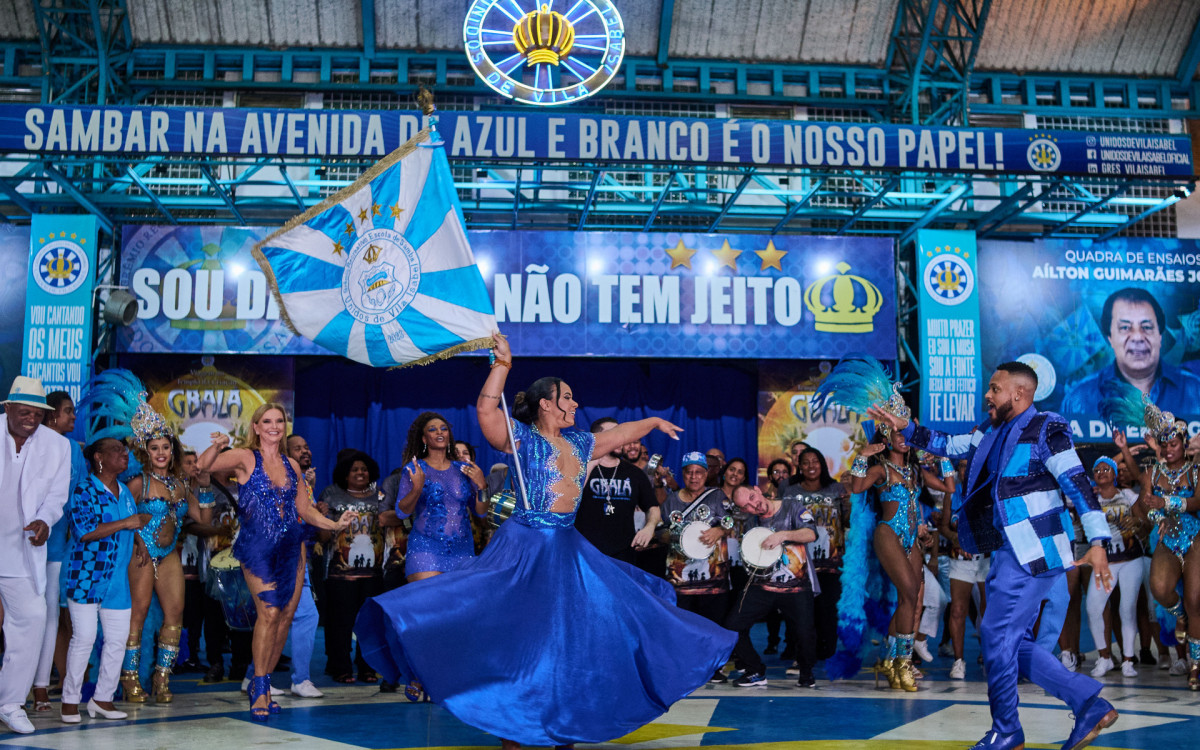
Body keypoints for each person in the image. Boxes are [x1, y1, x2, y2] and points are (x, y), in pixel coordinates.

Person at [354, 333, 736, 750]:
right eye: (567, 397)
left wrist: (653, 423)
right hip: (523, 547)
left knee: (568, 639)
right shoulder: (521, 440)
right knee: (518, 640)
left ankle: (563, 724)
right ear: (545, 405)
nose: (574, 404)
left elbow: (621, 432)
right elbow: (486, 407)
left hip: (565, 549)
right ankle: (514, 728)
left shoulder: (580, 442)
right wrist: (502, 365)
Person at [870, 361, 1117, 750]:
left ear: (1019, 393)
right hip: (1007, 551)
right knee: (1010, 642)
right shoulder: (989, 430)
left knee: (997, 635)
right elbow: (948, 445)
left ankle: (1008, 731)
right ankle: (1088, 702)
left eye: (994, 389)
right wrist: (908, 429)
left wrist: (1099, 541)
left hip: (1032, 550)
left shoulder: (1046, 427)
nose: (988, 395)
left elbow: (1077, 480)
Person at [197, 403, 357, 721]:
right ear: (255, 427)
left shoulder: (292, 466)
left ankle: (266, 683)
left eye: (279, 421)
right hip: (257, 548)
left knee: (285, 617)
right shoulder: (245, 458)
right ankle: (258, 686)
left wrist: (336, 524)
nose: (274, 426)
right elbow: (200, 468)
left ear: (285, 425)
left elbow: (306, 510)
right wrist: (216, 446)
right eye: (267, 421)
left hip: (291, 547)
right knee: (268, 613)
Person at [121, 400, 213, 704]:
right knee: (139, 615)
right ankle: (130, 679)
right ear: (146, 452)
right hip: (143, 554)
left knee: (175, 615)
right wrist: (137, 542)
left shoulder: (179, 484)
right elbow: (120, 519)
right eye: (155, 448)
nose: (161, 453)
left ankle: (162, 677)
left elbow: (203, 519)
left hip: (169, 554)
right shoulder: (138, 483)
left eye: (166, 447)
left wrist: (205, 485)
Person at [1108, 388, 1200, 688]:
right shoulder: (1152, 473)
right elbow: (1144, 505)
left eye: (1173, 443)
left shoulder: (1195, 471)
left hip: (1195, 537)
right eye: (1164, 444)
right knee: (1160, 589)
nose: (1168, 448)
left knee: (1196, 598)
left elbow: (1197, 502)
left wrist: (1168, 505)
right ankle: (1181, 616)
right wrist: (1155, 514)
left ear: (1183, 443)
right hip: (1167, 539)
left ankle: (1196, 665)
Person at [59, 438, 149, 724]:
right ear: (99, 457)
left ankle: (102, 699)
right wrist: (127, 524)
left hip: (117, 581)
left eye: (125, 451)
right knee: (84, 638)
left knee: (117, 640)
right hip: (87, 577)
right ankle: (70, 701)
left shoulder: (123, 491)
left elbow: (130, 521)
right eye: (117, 451)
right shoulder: (84, 489)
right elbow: (84, 531)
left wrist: (139, 541)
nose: (125, 454)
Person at [0, 377, 71, 736]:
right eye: (23, 411)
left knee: (32, 616)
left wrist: (46, 519)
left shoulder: (58, 446)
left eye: (37, 413)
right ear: (7, 408)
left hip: (21, 550)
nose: (30, 419)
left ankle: (10, 704)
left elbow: (57, 496)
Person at [726, 484, 819, 688]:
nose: (754, 504)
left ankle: (806, 672)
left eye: (752, 496)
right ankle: (755, 670)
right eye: (747, 506)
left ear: (758, 489)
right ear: (744, 511)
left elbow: (811, 534)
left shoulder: (792, 506)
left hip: (796, 585)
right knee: (732, 627)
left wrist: (781, 535)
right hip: (763, 586)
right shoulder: (751, 524)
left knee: (805, 632)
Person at [1062, 287, 1200, 416]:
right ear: (1110, 337)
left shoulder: (1195, 390)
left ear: (1160, 335)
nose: (1138, 337)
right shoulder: (1078, 399)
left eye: (1146, 327)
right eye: (1125, 328)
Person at [319, 449, 393, 684]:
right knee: (340, 622)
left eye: (364, 469)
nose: (360, 473)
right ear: (344, 474)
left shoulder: (379, 496)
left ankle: (368, 667)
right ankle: (340, 666)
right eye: (354, 470)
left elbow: (392, 520)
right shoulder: (331, 494)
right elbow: (322, 532)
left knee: (369, 624)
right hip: (340, 573)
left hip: (373, 573)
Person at [32, 391, 86, 713]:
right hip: (17, 540)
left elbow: (73, 498)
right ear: (52, 414)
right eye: (68, 412)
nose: (73, 418)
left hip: (56, 544)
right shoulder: (26, 441)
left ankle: (41, 687)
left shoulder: (72, 451)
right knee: (19, 615)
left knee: (50, 614)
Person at [661, 451, 734, 683]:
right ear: (683, 474)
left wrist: (718, 530)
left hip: (713, 575)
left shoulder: (717, 496)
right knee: (682, 624)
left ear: (706, 474)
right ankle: (685, 667)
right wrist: (677, 537)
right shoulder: (671, 500)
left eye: (699, 472)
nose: (694, 477)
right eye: (689, 472)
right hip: (680, 577)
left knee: (712, 624)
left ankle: (714, 668)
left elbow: (731, 521)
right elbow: (660, 531)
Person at [393, 412, 488, 582]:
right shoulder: (415, 469)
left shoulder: (462, 469)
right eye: (433, 429)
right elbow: (402, 512)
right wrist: (417, 488)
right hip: (425, 549)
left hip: (463, 551)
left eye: (444, 429)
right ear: (424, 439)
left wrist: (482, 486)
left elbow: (481, 512)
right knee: (428, 605)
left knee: (460, 607)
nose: (439, 432)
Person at [782, 447, 849, 662]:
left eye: (815, 461)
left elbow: (847, 521)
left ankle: (827, 650)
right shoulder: (790, 491)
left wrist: (850, 503)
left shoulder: (837, 489)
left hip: (831, 562)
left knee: (827, 609)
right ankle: (800, 651)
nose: (811, 466)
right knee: (801, 611)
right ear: (799, 467)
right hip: (800, 563)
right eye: (806, 462)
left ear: (822, 464)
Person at [1083, 453, 1146, 678]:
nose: (1101, 473)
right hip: (1105, 562)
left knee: (1127, 609)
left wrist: (1137, 522)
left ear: (1115, 474)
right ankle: (1105, 657)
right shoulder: (1089, 499)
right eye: (1097, 470)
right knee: (1093, 607)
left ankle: (1129, 660)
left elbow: (1144, 519)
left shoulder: (1128, 495)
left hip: (1131, 558)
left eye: (1106, 469)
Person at [575, 418, 660, 565]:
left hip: (623, 553)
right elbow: (570, 496)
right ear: (598, 438)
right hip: (585, 552)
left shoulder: (635, 474)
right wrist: (591, 463)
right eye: (613, 434)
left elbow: (653, 507)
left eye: (621, 433)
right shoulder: (580, 467)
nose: (620, 439)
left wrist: (649, 527)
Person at [937, 460, 990, 680]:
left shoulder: (988, 490)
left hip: (986, 559)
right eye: (961, 466)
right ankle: (959, 661)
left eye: (970, 465)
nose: (965, 470)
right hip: (960, 558)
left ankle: (989, 658)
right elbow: (944, 526)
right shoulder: (953, 492)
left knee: (988, 614)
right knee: (958, 610)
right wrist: (956, 538)